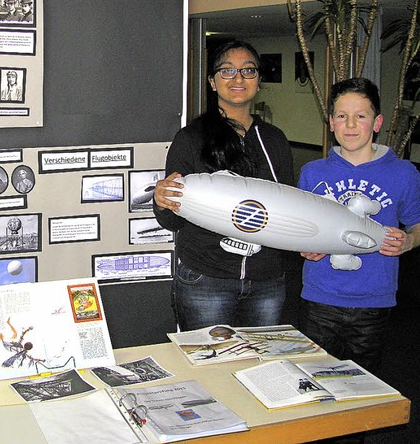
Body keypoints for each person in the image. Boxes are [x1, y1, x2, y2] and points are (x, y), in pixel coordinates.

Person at [153, 40, 294, 331]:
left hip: (267, 281)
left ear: (259, 80)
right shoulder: (191, 139)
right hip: (206, 279)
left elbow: (288, 210)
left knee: (261, 368)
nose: (239, 79)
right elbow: (169, 219)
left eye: (248, 70)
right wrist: (162, 198)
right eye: (228, 71)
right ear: (212, 82)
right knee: (208, 366)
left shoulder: (274, 139)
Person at [298, 77, 420, 375]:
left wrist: (409, 241)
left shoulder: (403, 173)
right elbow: (301, 229)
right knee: (312, 380)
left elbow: (417, 223)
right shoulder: (312, 173)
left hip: (373, 299)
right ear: (331, 122)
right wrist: (305, 248)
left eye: (360, 116)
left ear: (377, 122)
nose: (350, 125)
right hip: (320, 297)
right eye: (342, 116)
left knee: (363, 385)